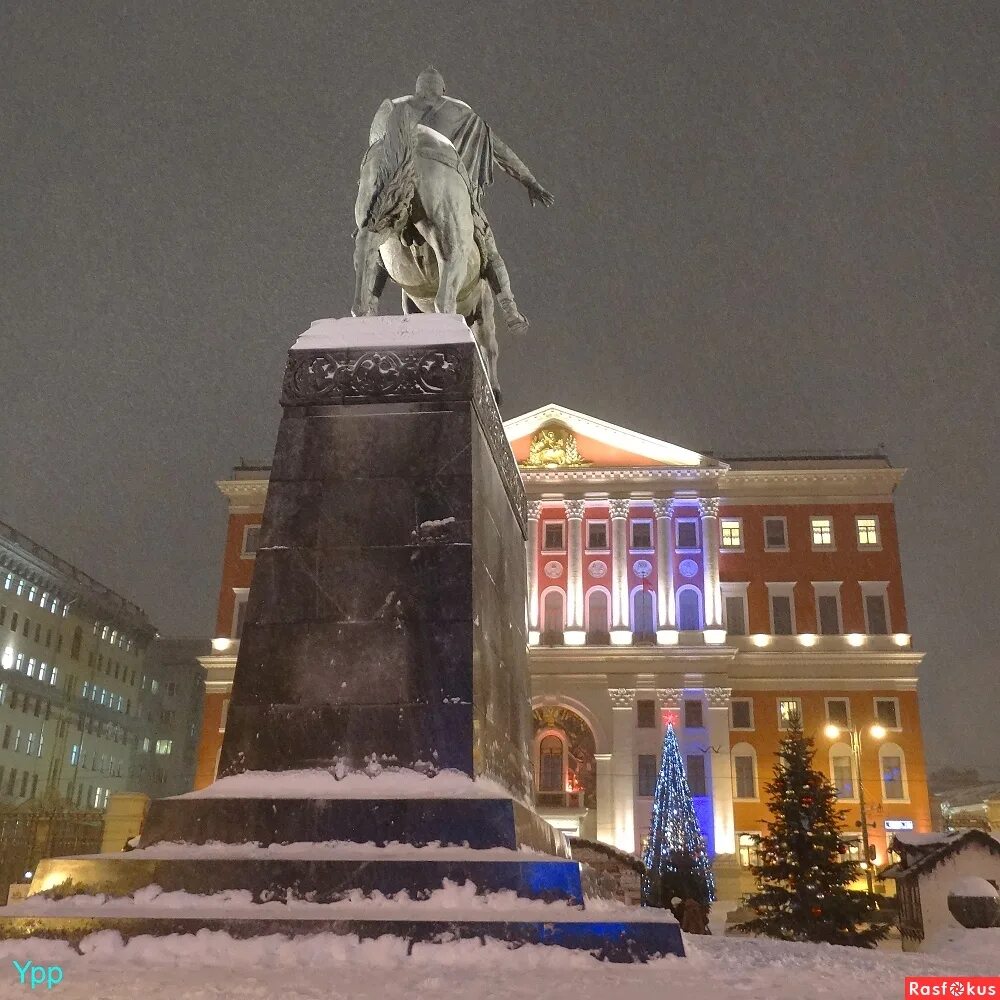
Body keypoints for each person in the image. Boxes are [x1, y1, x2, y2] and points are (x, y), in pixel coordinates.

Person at [379, 67, 554, 334]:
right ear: (443, 89)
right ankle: (511, 311)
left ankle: (367, 301)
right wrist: (531, 182)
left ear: (417, 88)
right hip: (450, 190)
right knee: (488, 248)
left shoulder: (397, 109)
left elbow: (378, 146)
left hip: (399, 185)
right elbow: (501, 153)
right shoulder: (461, 114)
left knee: (374, 235)